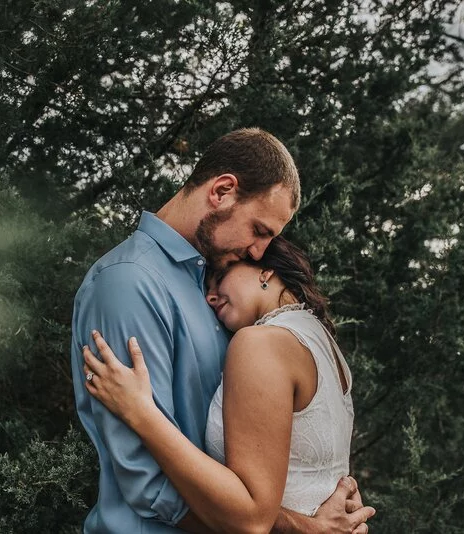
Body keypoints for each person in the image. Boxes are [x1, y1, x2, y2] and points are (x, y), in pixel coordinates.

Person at [70, 128, 373, 533]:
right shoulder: (129, 283)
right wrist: (304, 528)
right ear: (223, 191)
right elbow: (149, 482)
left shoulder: (215, 290)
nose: (260, 251)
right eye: (260, 230)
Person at [83, 237, 374, 533]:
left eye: (220, 277)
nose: (210, 297)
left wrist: (140, 412)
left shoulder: (260, 343)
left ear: (266, 272)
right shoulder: (325, 346)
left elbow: (251, 519)